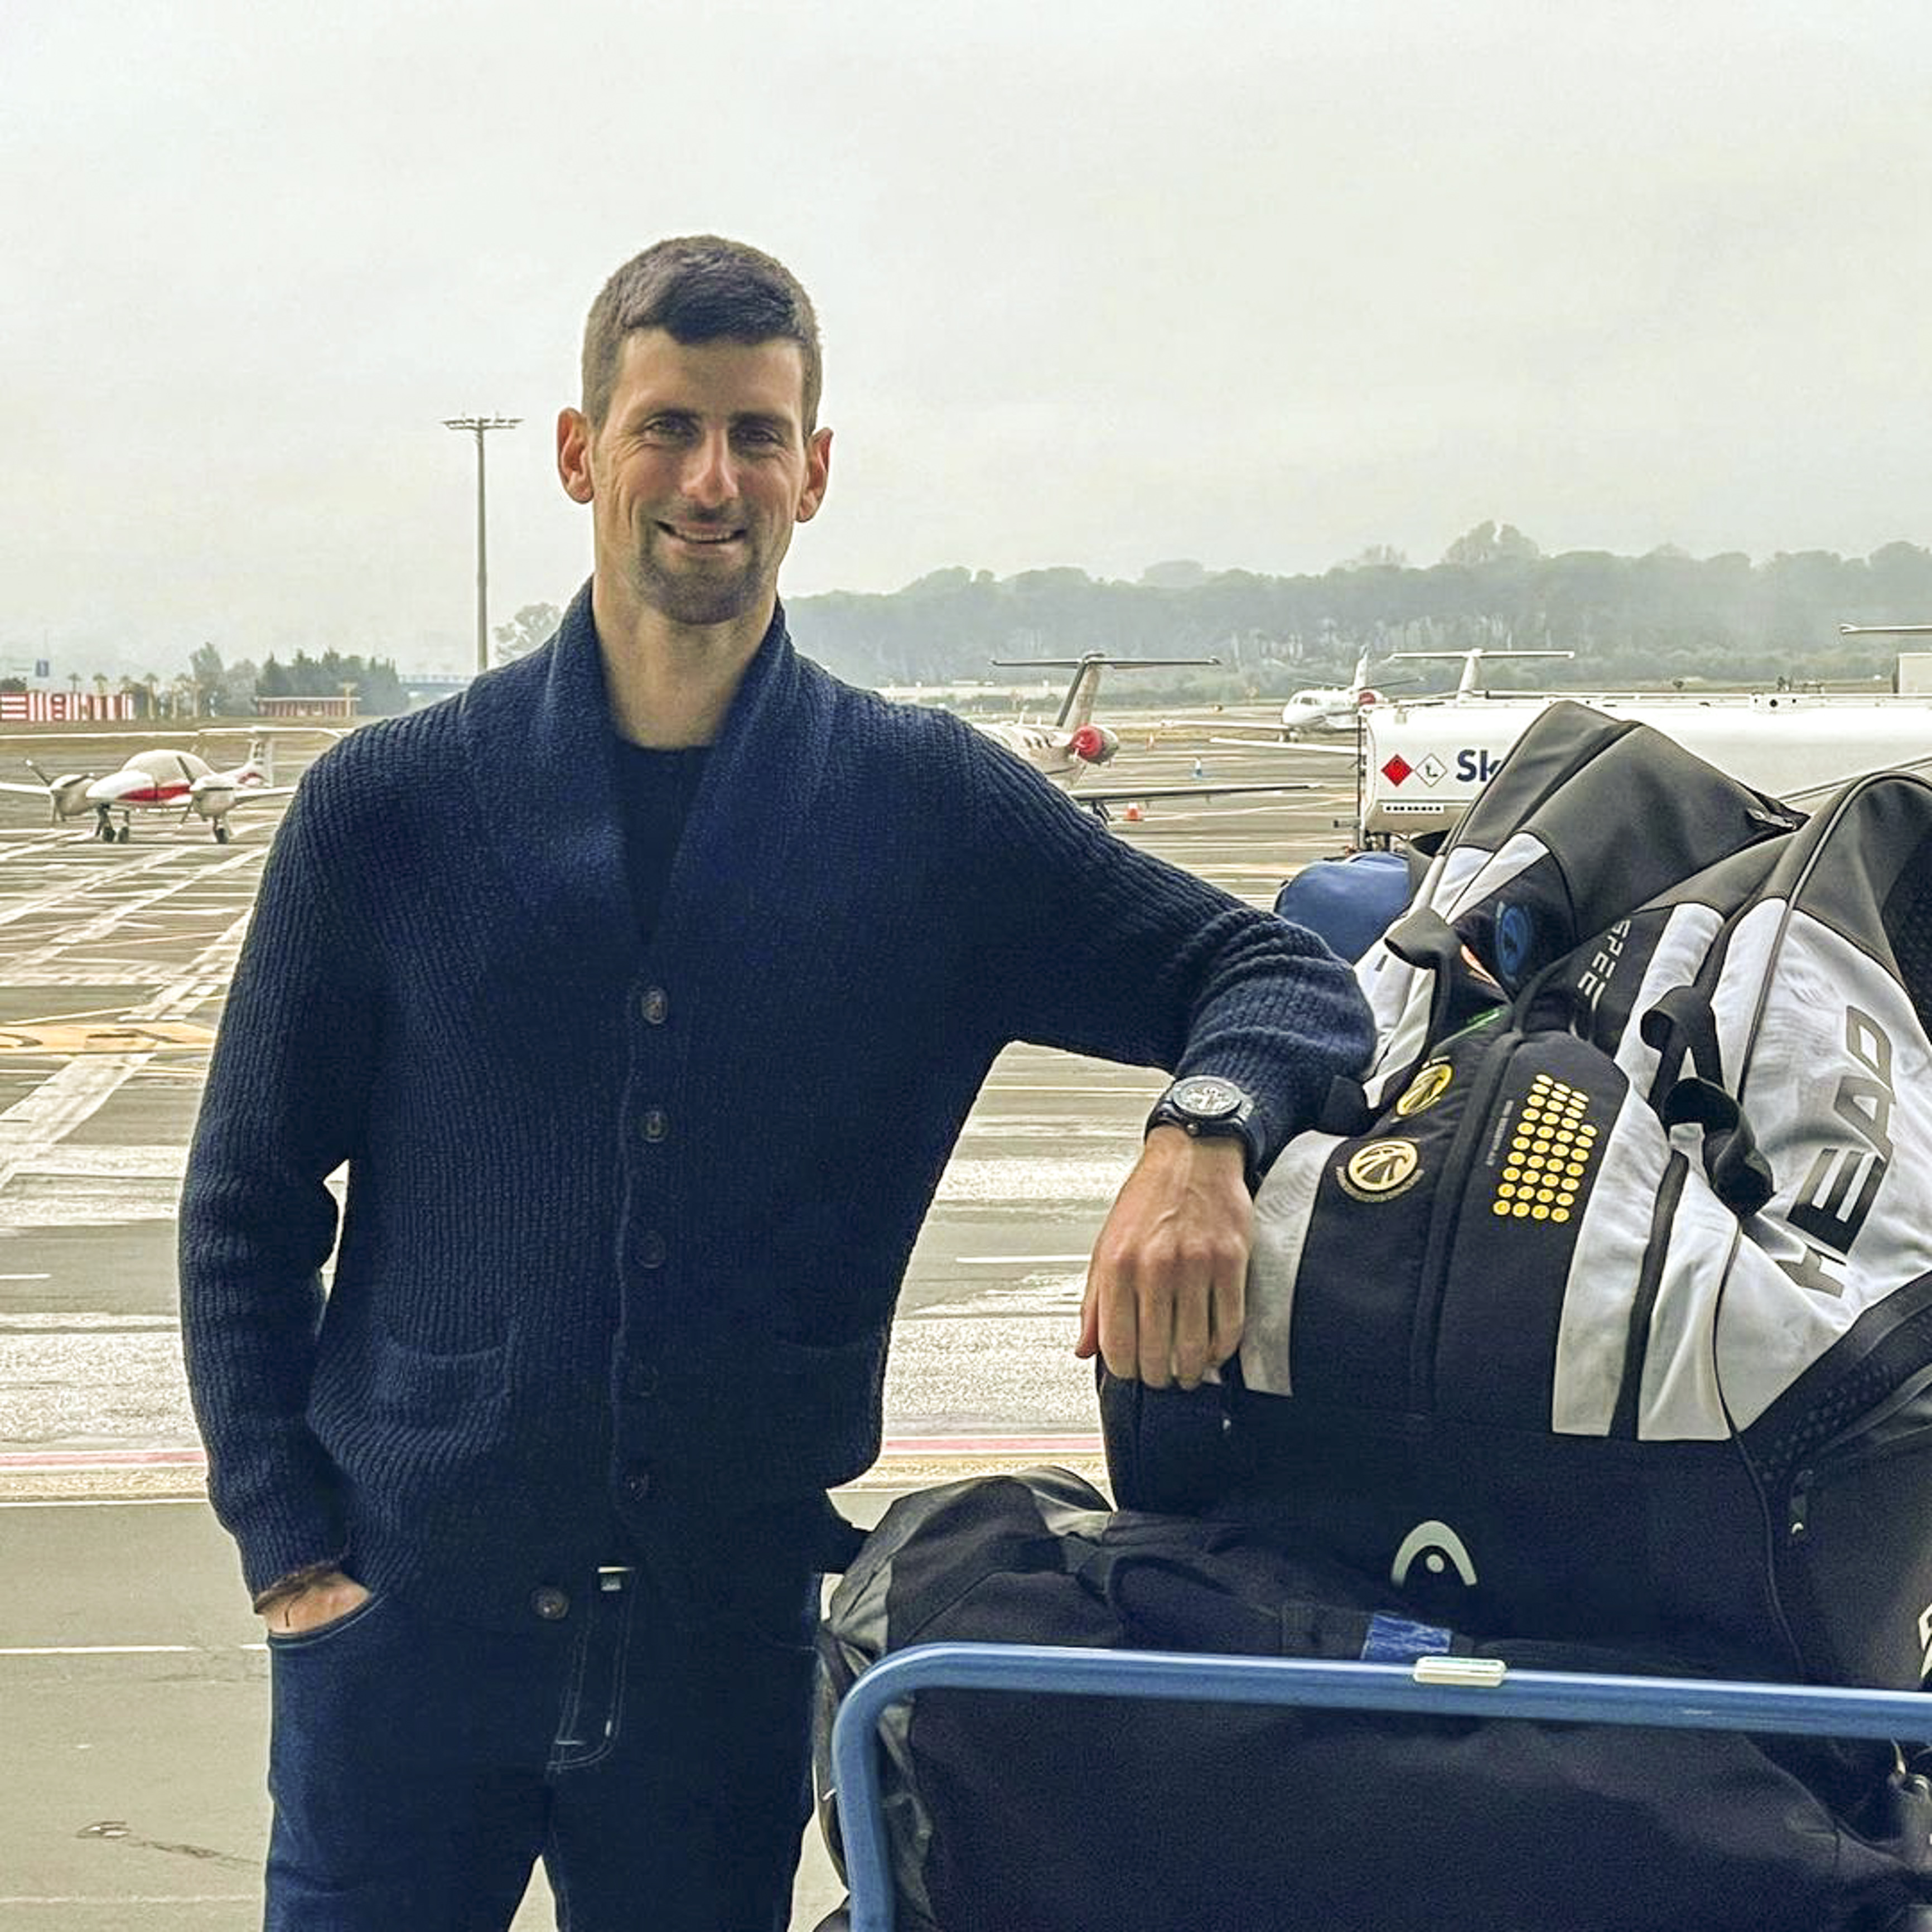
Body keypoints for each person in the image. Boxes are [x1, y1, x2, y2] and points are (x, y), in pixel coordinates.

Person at [178, 234, 1374, 1932]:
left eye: (755, 434)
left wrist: (1203, 1135)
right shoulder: (390, 811)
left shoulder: (925, 814)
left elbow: (1277, 974)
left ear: (815, 471)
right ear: (581, 452)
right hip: (401, 1646)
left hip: (720, 1660)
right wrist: (291, 1553)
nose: (709, 478)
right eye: (666, 427)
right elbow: (243, 1203)